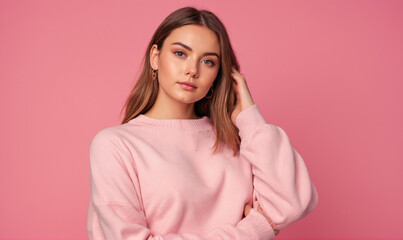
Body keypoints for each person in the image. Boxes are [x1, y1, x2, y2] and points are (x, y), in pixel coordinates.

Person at [87, 6, 318, 240]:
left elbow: (293, 202)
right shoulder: (115, 145)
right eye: (180, 53)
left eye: (208, 61)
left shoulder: (238, 141)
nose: (192, 70)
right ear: (155, 57)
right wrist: (255, 229)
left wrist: (250, 118)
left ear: (219, 73)